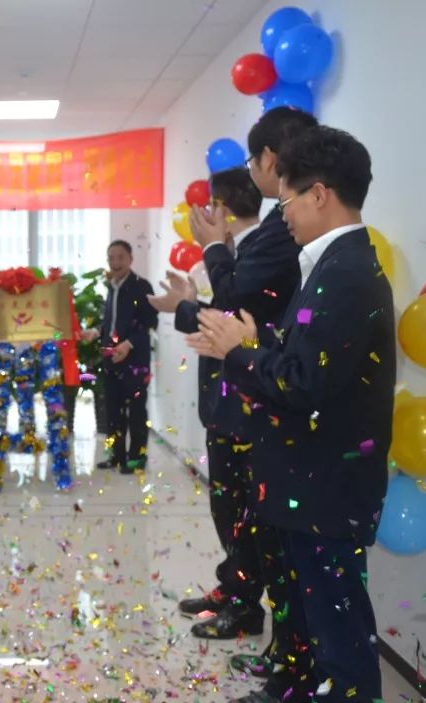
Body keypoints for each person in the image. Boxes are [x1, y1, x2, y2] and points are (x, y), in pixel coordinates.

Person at [188, 126, 394, 703]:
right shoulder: (330, 266)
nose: (284, 216)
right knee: (311, 615)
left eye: (287, 203)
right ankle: (298, 698)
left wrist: (238, 352)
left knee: (339, 631)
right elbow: (313, 359)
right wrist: (261, 341)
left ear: (319, 194)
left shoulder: (347, 273)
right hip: (308, 480)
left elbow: (302, 385)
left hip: (326, 484)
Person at [150, 109, 315, 665]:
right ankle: (235, 588)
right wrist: (187, 304)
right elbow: (230, 308)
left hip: (253, 397)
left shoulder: (274, 236)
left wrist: (210, 257)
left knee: (246, 512)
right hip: (235, 396)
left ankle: (245, 605)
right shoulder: (273, 232)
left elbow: (234, 301)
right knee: (233, 508)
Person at [83, 240, 157, 474]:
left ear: (130, 259)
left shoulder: (142, 286)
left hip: (135, 361)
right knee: (113, 410)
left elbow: (149, 323)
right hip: (111, 359)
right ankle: (116, 455)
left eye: (120, 257)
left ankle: (136, 458)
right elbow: (112, 322)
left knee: (136, 410)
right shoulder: (112, 286)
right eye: (111, 258)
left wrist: (128, 344)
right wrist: (96, 332)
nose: (115, 262)